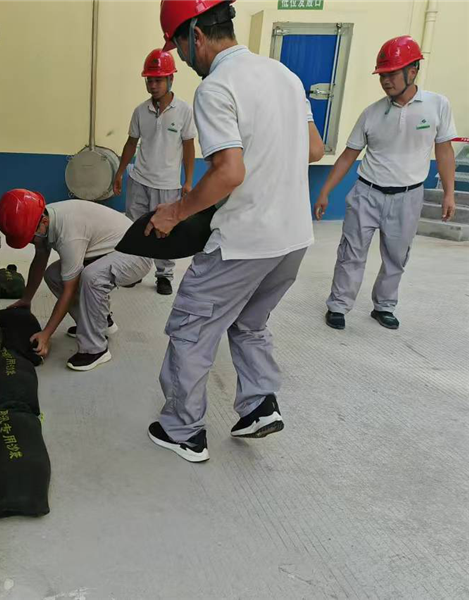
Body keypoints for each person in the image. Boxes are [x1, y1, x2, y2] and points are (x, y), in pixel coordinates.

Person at [144, 0, 325, 462]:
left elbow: (228, 171)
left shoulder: (217, 87)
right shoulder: (285, 75)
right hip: (293, 238)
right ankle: (259, 404)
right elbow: (314, 149)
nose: (184, 60)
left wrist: (176, 212)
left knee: (192, 326)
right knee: (249, 321)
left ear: (196, 36)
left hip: (244, 240)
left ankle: (182, 430)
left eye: (180, 47)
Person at [314, 35, 457, 331]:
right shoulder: (372, 113)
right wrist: (325, 191)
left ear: (412, 71)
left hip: (408, 196)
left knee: (396, 256)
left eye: (391, 73)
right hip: (366, 193)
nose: (385, 81)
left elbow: (444, 151)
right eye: (382, 75)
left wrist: (449, 193)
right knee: (351, 253)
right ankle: (338, 305)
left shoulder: (437, 106)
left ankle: (384, 306)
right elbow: (348, 155)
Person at [0, 189, 151, 371]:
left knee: (92, 277)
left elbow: (69, 290)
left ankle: (95, 348)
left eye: (30, 238)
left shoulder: (69, 234)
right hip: (109, 249)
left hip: (136, 254)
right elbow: (39, 261)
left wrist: (46, 334)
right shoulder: (42, 218)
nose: (31, 242)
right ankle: (99, 323)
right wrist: (26, 299)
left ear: (43, 222)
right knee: (53, 275)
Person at [113, 49, 196, 295]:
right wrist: (119, 173)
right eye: (149, 80)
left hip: (167, 183)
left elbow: (189, 146)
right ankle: (134, 270)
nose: (153, 85)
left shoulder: (184, 111)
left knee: (164, 230)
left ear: (171, 79)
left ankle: (164, 275)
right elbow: (131, 143)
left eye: (158, 80)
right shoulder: (140, 111)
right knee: (134, 226)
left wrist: (188, 181)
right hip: (139, 180)